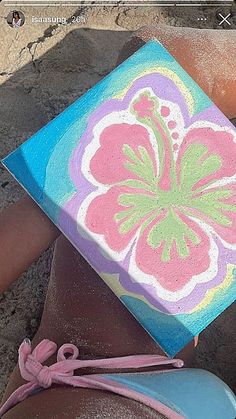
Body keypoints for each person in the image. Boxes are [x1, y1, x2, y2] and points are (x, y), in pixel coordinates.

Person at [0, 26, 236, 418]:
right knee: (160, 70)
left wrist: (56, 196)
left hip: (107, 370)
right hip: (119, 378)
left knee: (155, 66)